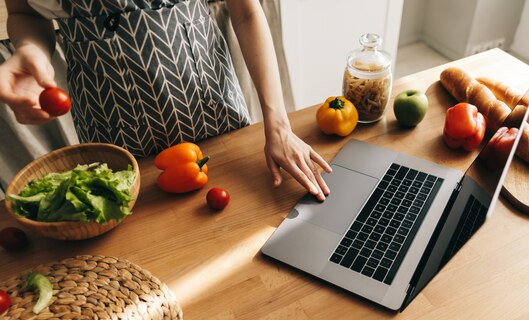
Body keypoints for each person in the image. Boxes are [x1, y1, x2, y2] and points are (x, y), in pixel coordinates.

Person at [0, 0, 331, 201]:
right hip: (113, 132)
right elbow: (23, 12)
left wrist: (279, 124)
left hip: (214, 115)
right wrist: (30, 49)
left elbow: (245, 11)